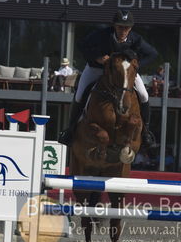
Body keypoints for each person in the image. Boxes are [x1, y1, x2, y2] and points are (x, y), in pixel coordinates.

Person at [58, 10, 158, 148]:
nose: (123, 31)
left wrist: (135, 65)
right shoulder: (102, 35)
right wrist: (97, 57)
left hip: (123, 72)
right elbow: (82, 45)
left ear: (131, 28)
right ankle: (70, 130)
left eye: (126, 28)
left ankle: (146, 132)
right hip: (97, 69)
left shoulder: (135, 39)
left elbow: (152, 54)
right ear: (114, 26)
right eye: (120, 27)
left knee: (144, 95)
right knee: (80, 94)